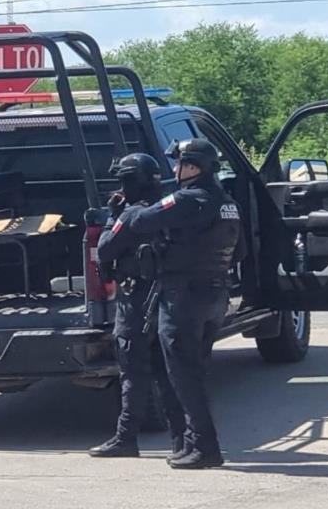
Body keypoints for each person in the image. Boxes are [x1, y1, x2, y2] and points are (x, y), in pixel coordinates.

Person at [126, 138, 246, 469]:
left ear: (193, 166)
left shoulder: (187, 199)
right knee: (194, 372)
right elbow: (241, 252)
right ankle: (190, 443)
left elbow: (141, 221)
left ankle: (206, 448)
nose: (175, 169)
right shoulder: (228, 202)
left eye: (179, 164)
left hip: (184, 298)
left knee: (184, 377)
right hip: (216, 295)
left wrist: (132, 207)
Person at [88, 153, 186, 458]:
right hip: (168, 299)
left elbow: (104, 250)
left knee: (132, 371)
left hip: (136, 300)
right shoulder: (171, 209)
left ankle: (125, 438)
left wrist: (110, 216)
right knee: (168, 372)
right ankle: (182, 439)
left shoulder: (130, 215)